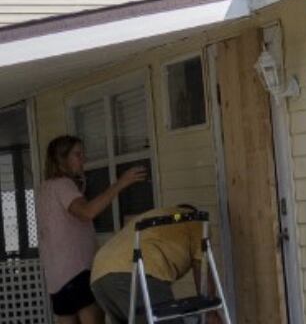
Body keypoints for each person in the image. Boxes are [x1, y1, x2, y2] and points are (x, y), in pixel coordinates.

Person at [36, 135, 147, 324]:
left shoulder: (45, 188)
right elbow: (87, 212)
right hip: (77, 271)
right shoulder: (63, 185)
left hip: (57, 278)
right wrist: (122, 182)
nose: (84, 159)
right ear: (62, 159)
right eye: (77, 154)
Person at [90, 205, 219, 324]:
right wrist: (210, 311)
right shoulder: (196, 222)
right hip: (133, 272)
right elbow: (203, 272)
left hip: (99, 275)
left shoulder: (155, 216)